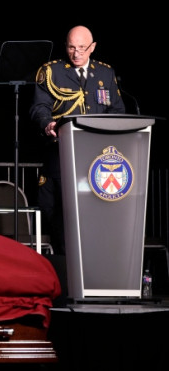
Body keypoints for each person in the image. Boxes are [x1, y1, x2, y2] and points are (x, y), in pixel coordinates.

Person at [29, 25, 126, 255]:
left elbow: (117, 111)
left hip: (97, 162)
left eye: (82, 48)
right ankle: (67, 279)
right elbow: (39, 107)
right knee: (62, 223)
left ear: (92, 47)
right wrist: (48, 123)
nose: (76, 53)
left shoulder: (105, 73)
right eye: (72, 47)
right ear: (66, 46)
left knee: (95, 222)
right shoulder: (51, 71)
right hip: (62, 159)